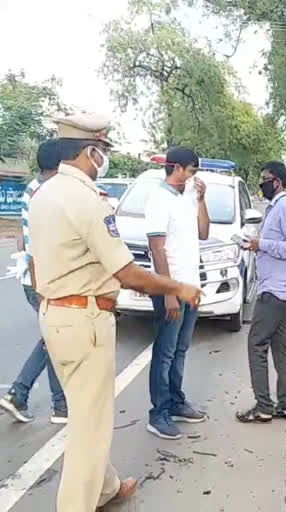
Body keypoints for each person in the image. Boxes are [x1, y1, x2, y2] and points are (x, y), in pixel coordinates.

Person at [28, 114, 202, 511]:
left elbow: (37, 263)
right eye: (102, 151)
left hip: (57, 313)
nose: (103, 158)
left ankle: (105, 487)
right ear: (90, 151)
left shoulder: (45, 194)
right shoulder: (86, 198)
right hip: (85, 319)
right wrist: (178, 287)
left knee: (85, 412)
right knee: (90, 428)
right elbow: (125, 273)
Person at [144, 147, 210, 440]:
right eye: (192, 170)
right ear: (179, 168)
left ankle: (175, 401)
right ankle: (158, 413)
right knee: (166, 351)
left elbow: (203, 232)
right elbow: (157, 247)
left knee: (180, 349)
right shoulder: (158, 199)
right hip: (171, 289)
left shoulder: (186, 198)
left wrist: (201, 199)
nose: (194, 176)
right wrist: (168, 292)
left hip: (191, 286)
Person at [0, 140, 67, 424]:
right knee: (55, 338)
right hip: (41, 279)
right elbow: (36, 246)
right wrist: (42, 289)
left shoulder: (36, 188)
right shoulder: (45, 192)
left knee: (54, 338)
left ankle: (49, 402)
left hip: (40, 276)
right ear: (61, 163)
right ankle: (29, 395)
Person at [236, 161, 286, 423]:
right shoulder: (276, 206)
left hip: (274, 292)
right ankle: (285, 404)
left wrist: (261, 244)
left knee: (256, 345)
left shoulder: (285, 207)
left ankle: (264, 406)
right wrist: (256, 245)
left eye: (264, 179)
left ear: (276, 181)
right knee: (281, 348)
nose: (261, 184)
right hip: (280, 289)